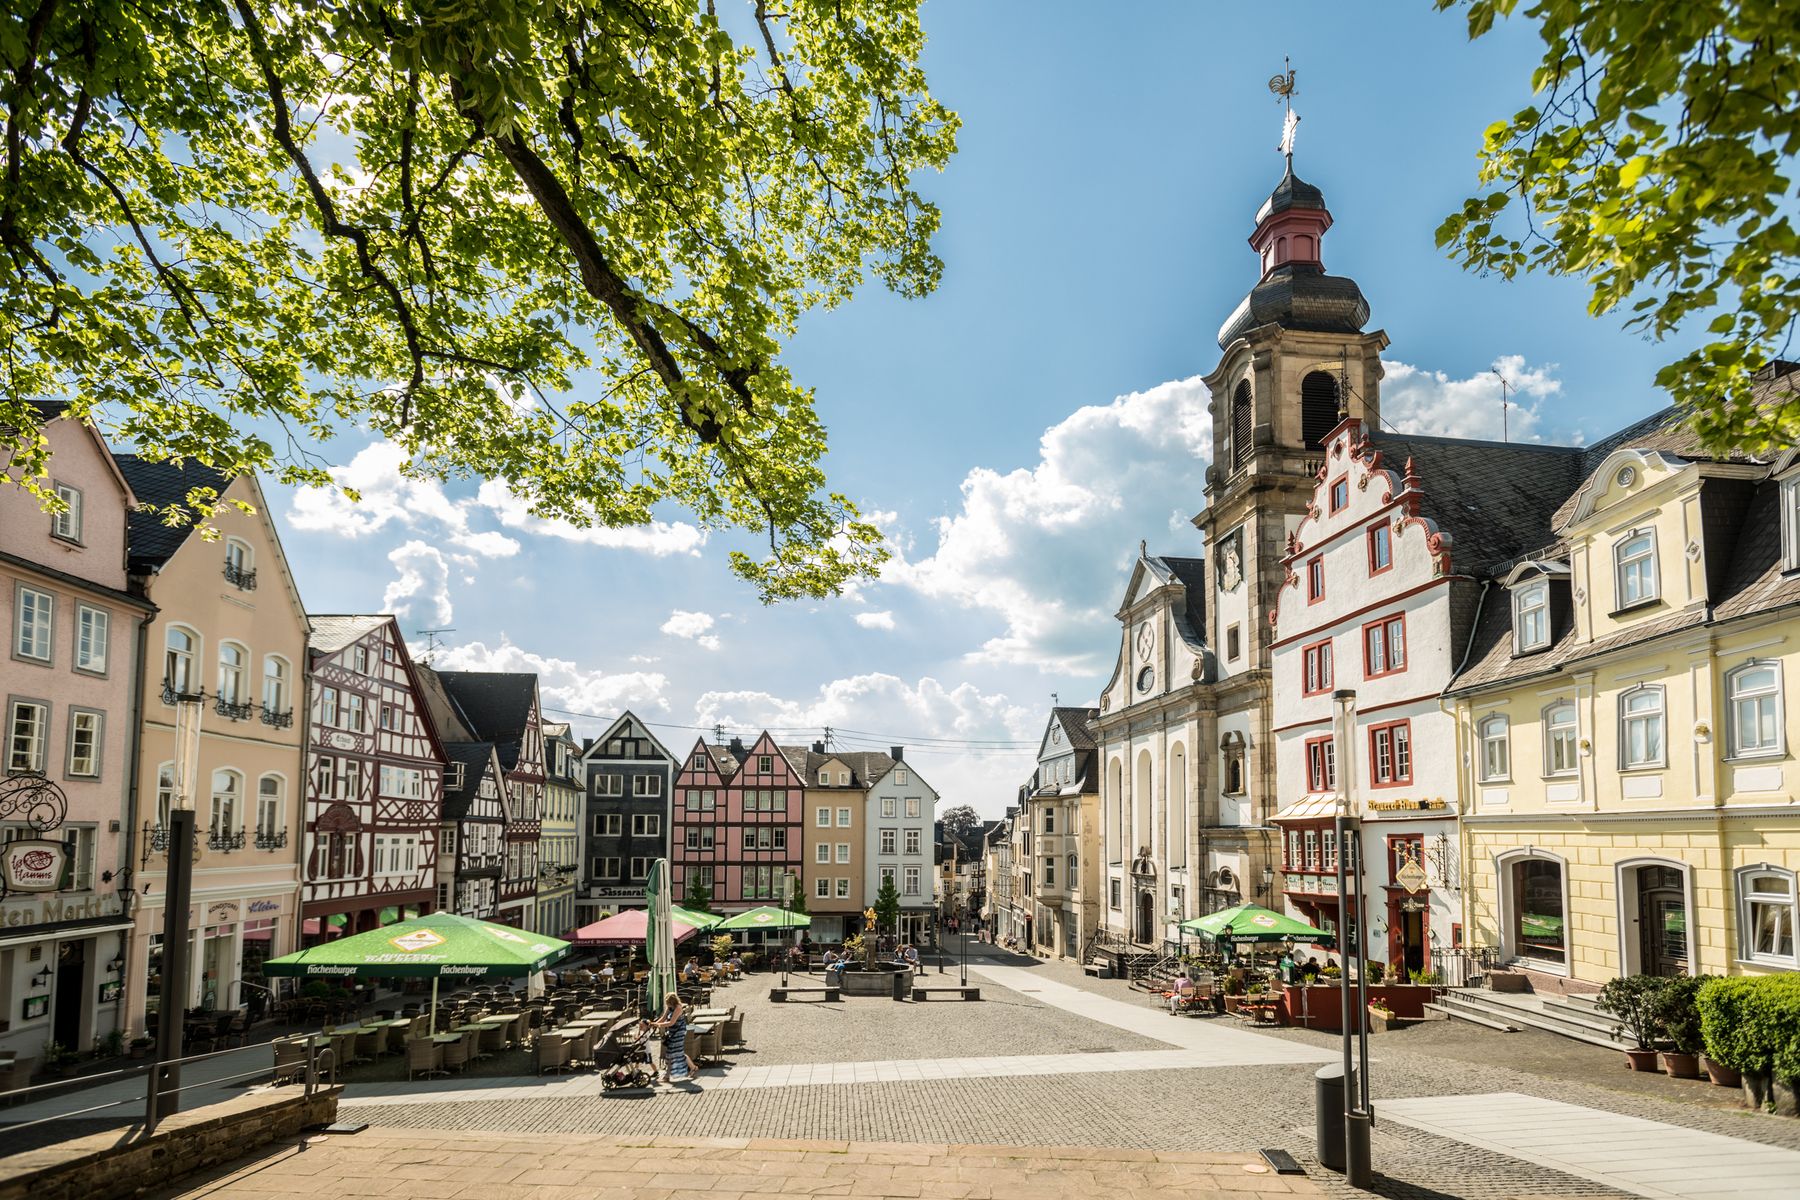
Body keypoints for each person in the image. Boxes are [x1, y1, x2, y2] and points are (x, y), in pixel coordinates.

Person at [646, 990, 690, 1085]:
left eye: (668, 1003)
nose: (667, 1005)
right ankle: (693, 1068)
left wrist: (657, 1025)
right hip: (672, 1032)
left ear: (672, 1002)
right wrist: (654, 1023)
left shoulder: (678, 1008)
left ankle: (667, 1076)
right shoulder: (670, 1007)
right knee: (676, 1053)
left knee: (671, 1054)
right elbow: (663, 1018)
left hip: (678, 1032)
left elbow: (671, 1022)